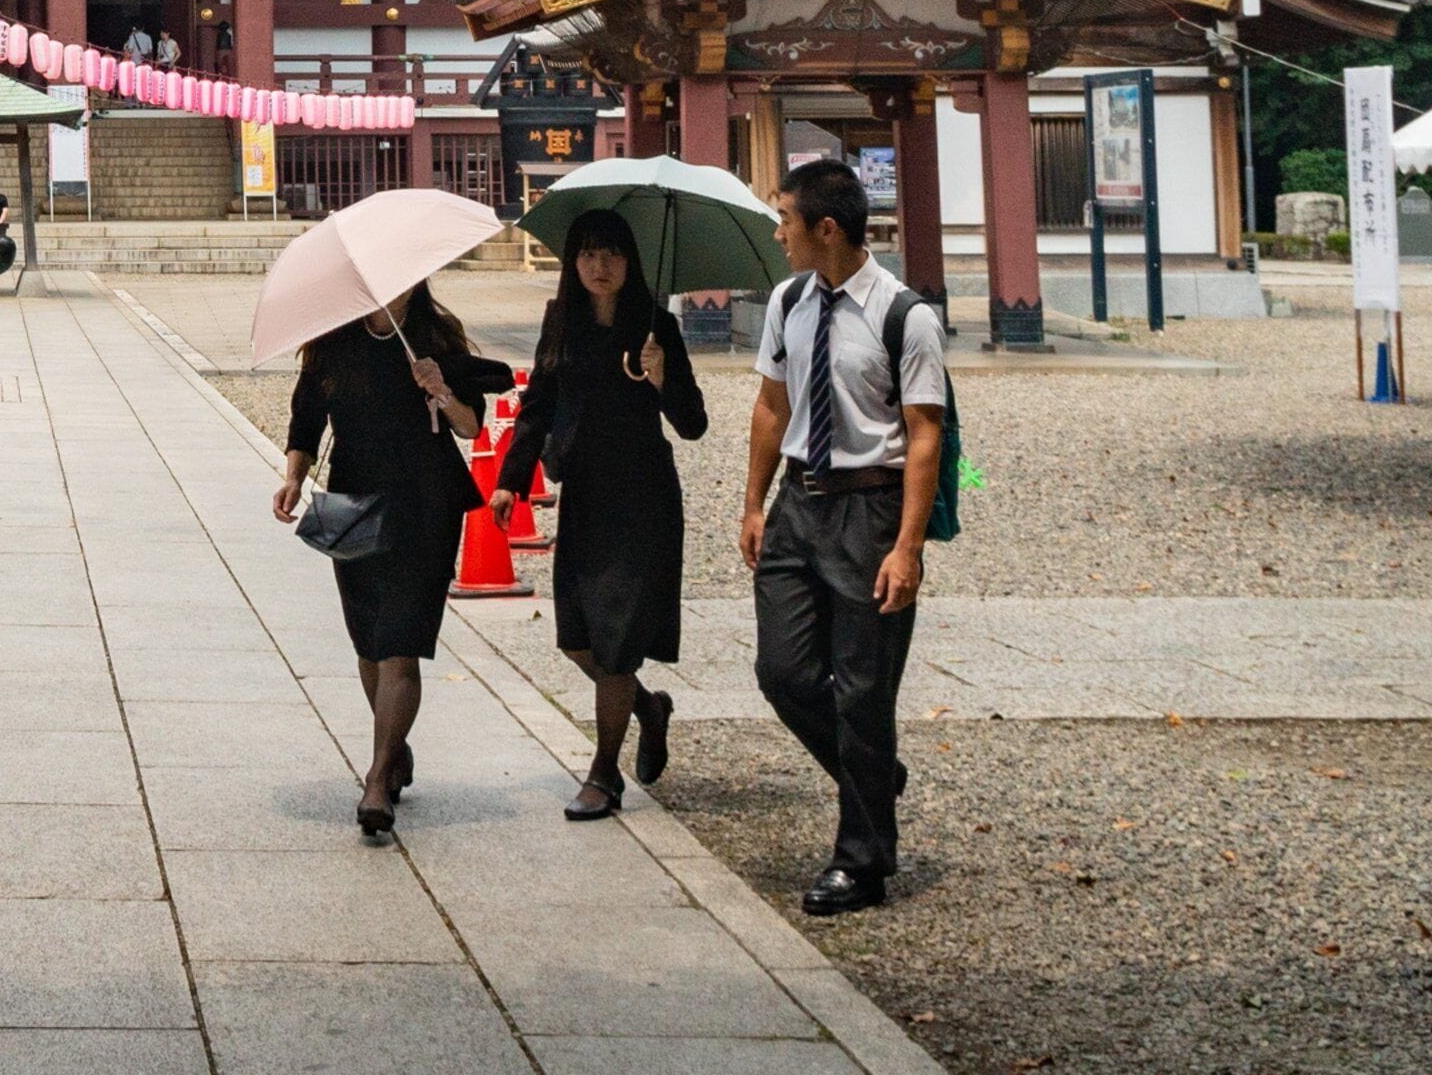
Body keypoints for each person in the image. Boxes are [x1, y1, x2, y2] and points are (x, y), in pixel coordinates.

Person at [742, 157, 949, 916]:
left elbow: (924, 434)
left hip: (871, 507)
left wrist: (908, 547)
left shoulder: (906, 316)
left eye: (786, 220)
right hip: (799, 501)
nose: (779, 234)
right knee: (782, 669)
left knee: (864, 691)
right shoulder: (788, 300)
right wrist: (753, 504)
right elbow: (771, 407)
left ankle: (862, 862)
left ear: (826, 228)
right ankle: (871, 774)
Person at [271, 283, 514, 843]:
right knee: (370, 645)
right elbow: (306, 420)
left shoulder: (435, 339)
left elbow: (472, 427)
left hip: (426, 507)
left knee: (401, 643)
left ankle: (377, 778)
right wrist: (292, 478)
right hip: (356, 506)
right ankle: (396, 749)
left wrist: (441, 389)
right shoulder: (333, 342)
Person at [495, 206, 707, 819]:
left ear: (630, 260)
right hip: (584, 495)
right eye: (587, 253)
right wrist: (511, 479)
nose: (599, 265)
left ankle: (603, 773)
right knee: (577, 639)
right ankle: (646, 707)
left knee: (615, 644)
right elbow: (536, 405)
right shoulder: (561, 322)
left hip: (643, 499)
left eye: (611, 252)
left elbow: (692, 424)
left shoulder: (655, 325)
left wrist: (663, 378)